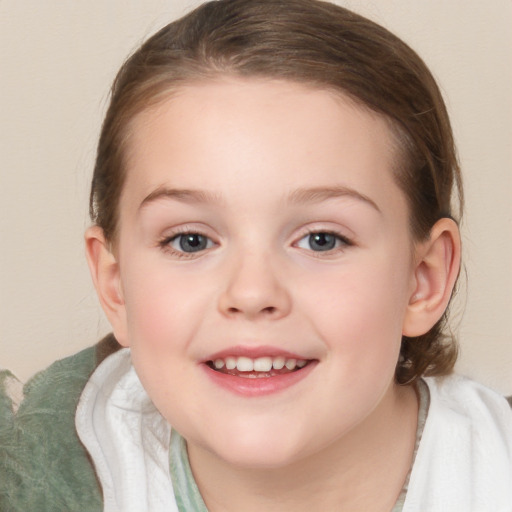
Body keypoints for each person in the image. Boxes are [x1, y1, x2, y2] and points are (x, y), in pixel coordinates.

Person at [1, 0, 511, 510]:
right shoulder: (31, 480)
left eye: (321, 239)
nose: (251, 293)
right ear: (116, 285)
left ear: (422, 279)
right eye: (191, 240)